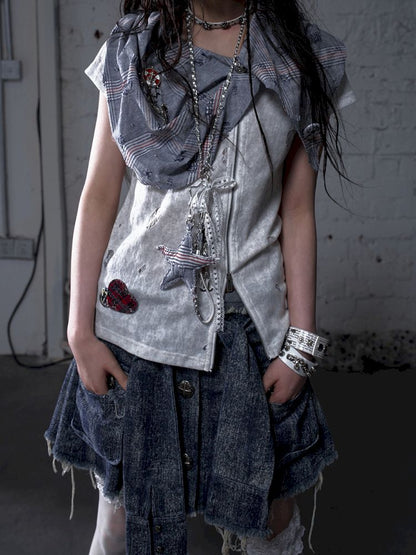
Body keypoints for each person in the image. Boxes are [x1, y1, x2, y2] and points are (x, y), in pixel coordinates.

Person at [45, 1, 355, 553]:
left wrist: (301, 346)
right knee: (121, 523)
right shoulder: (133, 49)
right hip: (136, 331)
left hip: (249, 335)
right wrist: (79, 331)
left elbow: (297, 210)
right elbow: (99, 193)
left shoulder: (301, 59)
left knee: (269, 523)